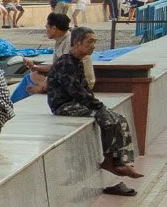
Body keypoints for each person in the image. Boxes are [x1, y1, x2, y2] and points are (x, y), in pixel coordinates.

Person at [48, 26, 143, 189]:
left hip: (76, 102)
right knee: (106, 118)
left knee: (120, 118)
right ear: (77, 43)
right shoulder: (65, 63)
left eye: (94, 42)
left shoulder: (78, 62)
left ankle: (120, 161)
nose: (93, 46)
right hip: (63, 105)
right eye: (89, 42)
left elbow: (85, 88)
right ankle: (108, 160)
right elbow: (76, 91)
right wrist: (98, 107)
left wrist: (99, 105)